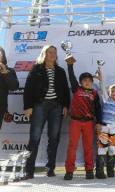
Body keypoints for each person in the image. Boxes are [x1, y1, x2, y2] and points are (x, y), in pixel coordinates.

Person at [23, 45, 70, 179]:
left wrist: (65, 106)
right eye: (49, 52)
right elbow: (28, 88)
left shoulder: (60, 71)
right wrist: (28, 106)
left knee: (54, 138)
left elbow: (66, 90)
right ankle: (29, 170)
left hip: (57, 107)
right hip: (39, 106)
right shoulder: (36, 69)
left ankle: (50, 168)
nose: (52, 54)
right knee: (34, 138)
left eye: (54, 52)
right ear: (44, 54)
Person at [64, 56, 102, 180]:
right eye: (84, 80)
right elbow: (71, 77)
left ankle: (89, 170)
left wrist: (99, 122)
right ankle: (69, 171)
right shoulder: (76, 89)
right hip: (75, 121)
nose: (87, 82)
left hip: (89, 123)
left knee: (88, 147)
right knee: (72, 146)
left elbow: (98, 109)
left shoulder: (95, 94)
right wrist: (70, 65)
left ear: (92, 82)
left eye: (89, 80)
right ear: (81, 82)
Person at [94, 68, 115, 179]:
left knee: (112, 150)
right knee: (102, 149)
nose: (114, 93)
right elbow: (102, 88)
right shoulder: (106, 100)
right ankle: (99, 172)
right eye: (112, 91)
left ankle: (110, 171)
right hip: (104, 128)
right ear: (109, 93)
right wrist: (100, 79)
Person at [0, 46, 19, 129]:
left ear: (3, 57)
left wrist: (5, 73)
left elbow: (14, 87)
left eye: (0, 54)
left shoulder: (10, 71)